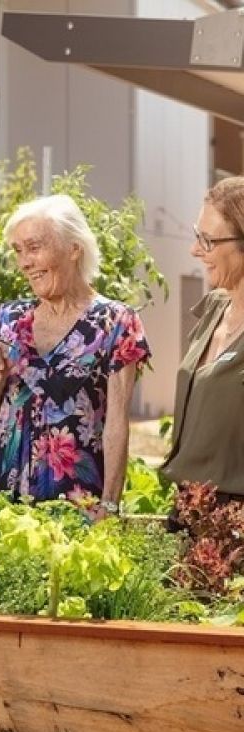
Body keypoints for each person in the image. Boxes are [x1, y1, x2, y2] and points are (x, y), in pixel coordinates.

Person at [0, 194, 150, 515]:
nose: (24, 262)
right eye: (18, 251)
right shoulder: (7, 320)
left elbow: (117, 424)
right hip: (5, 505)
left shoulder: (115, 322)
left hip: (78, 506)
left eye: (34, 247)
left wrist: (109, 505)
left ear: (74, 248)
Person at [161, 176, 244, 508]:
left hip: (235, 513)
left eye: (208, 240)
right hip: (190, 504)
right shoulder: (214, 309)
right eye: (198, 236)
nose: (195, 250)